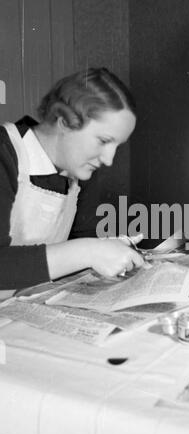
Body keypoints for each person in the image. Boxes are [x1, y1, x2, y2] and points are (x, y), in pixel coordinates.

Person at [0, 67, 144, 290]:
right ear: (64, 122)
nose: (109, 159)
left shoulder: (78, 171)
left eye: (117, 146)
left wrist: (109, 250)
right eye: (104, 141)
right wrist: (90, 251)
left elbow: (85, 239)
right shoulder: (5, 154)